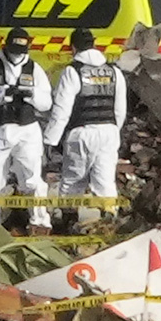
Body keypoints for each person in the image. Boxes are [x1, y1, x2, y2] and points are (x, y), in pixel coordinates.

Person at [44, 28, 128, 227]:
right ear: (94, 43)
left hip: (81, 133)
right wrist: (114, 131)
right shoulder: (114, 71)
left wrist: (50, 140)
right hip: (108, 132)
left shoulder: (73, 71)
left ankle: (68, 225)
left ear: (72, 47)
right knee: (105, 182)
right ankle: (109, 226)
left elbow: (61, 110)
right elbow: (120, 110)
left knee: (73, 181)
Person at [0, 25, 53, 230]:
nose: (17, 56)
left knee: (32, 178)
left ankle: (39, 223)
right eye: (13, 51)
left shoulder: (34, 69)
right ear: (5, 46)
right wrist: (3, 93)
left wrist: (31, 94)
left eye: (21, 52)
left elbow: (46, 103)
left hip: (26, 129)